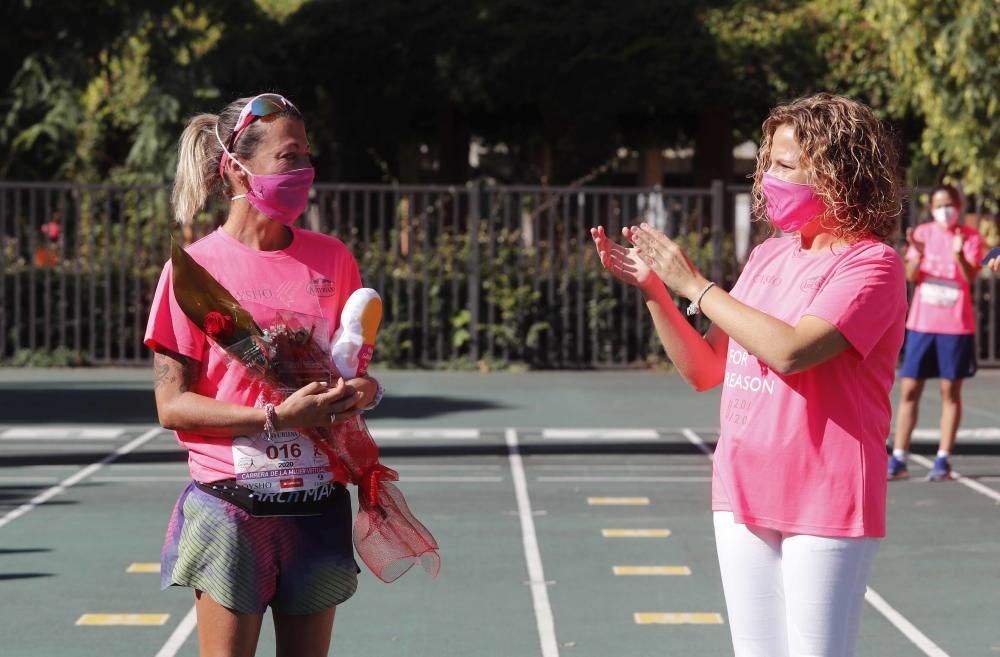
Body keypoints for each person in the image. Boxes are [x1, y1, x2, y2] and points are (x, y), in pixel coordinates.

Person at [592, 93, 906, 657]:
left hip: (824, 495)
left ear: (837, 173)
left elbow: (791, 351)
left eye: (785, 166)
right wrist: (657, 292)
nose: (767, 179)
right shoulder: (768, 257)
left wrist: (696, 286)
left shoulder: (872, 265)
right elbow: (706, 369)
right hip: (742, 487)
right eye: (768, 164)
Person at [145, 93, 382, 657]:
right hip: (232, 506)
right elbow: (171, 406)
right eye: (289, 156)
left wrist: (362, 393)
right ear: (236, 168)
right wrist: (276, 416)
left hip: (318, 501)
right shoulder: (194, 271)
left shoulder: (333, 259)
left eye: (306, 156)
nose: (303, 170)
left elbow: (356, 368)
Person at [889, 184, 982, 481]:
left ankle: (943, 459)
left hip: (955, 325)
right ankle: (899, 458)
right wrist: (915, 254)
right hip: (921, 324)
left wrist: (959, 256)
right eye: (939, 205)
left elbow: (971, 277)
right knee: (909, 390)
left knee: (949, 391)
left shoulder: (970, 237)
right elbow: (911, 276)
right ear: (932, 208)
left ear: (959, 206)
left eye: (950, 205)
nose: (945, 210)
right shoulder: (922, 234)